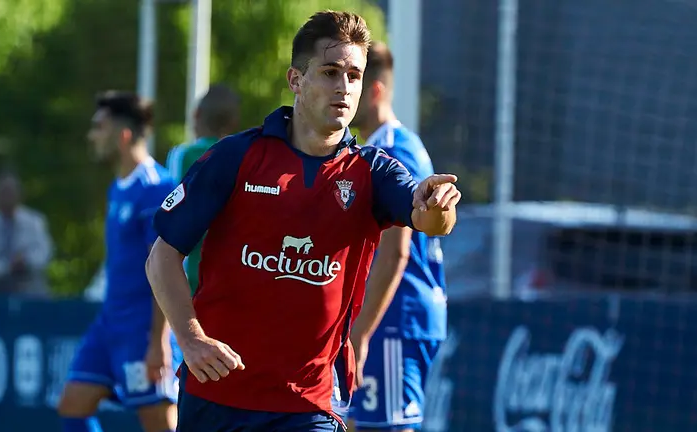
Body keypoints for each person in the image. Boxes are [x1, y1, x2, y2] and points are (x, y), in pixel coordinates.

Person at [146, 10, 461, 432]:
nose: (344, 87)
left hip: (308, 404)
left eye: (354, 75)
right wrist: (190, 338)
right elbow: (162, 255)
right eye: (330, 72)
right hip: (215, 395)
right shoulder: (236, 157)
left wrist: (438, 206)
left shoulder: (373, 171)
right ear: (296, 80)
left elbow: (428, 219)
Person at [57, 91, 178, 432]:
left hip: (141, 332)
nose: (91, 135)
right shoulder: (118, 187)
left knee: (159, 424)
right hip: (109, 325)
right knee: (73, 405)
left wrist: (158, 342)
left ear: (123, 136)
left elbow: (166, 269)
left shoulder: (156, 189)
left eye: (99, 127)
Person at [347, 42, 447, 432]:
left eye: (353, 80)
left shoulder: (393, 150)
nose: (344, 93)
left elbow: (394, 252)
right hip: (388, 317)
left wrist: (361, 332)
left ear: (374, 90)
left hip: (393, 319)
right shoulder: (375, 148)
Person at [164, 83, 242, 390]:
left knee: (188, 388)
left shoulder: (183, 155)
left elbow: (167, 223)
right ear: (234, 122)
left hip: (188, 290)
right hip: (230, 287)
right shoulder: (243, 156)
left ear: (197, 115)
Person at [0, 171, 53, 298]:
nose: (7, 196)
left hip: (30, 294)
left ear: (19, 194)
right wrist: (8, 267)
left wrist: (25, 262)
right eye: (3, 192)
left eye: (10, 191)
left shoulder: (35, 222)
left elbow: (44, 254)